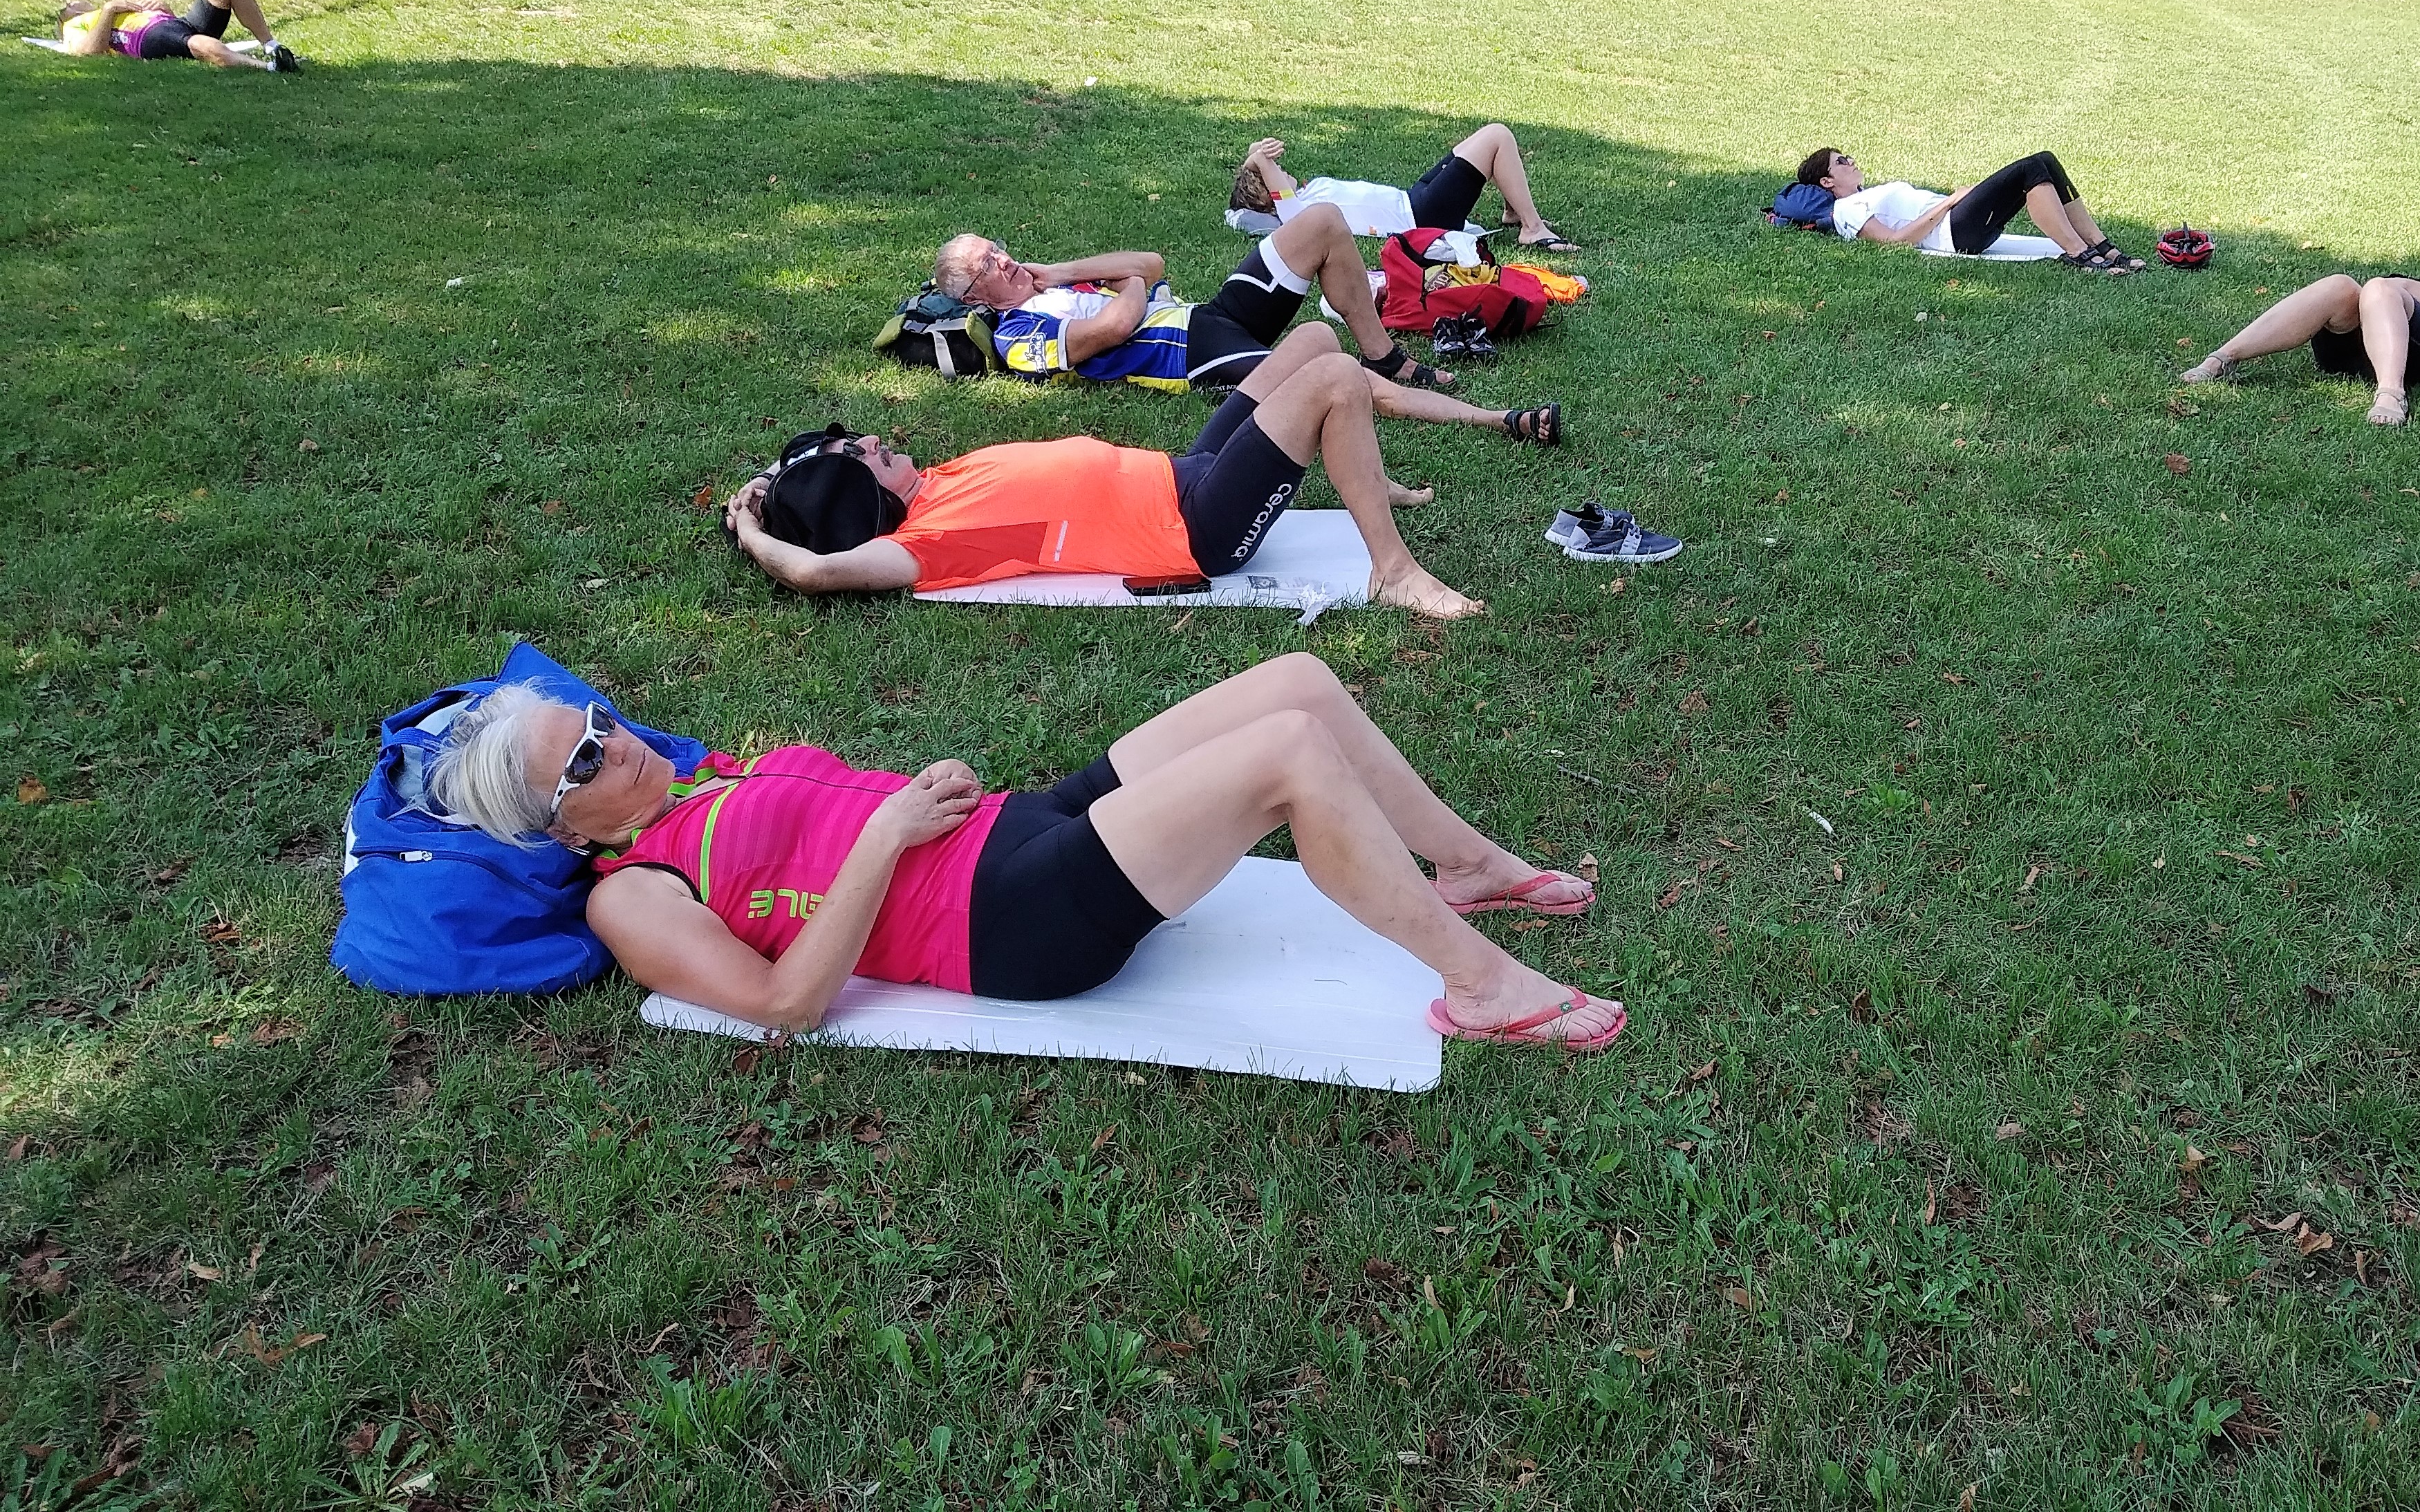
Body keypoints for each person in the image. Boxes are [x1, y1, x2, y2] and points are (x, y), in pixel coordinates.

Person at [425, 655, 1623, 1050]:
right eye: (580, 765)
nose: (613, 747)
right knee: (1291, 753)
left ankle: (1466, 865)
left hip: (1016, 828)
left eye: (597, 723)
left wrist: (914, 796)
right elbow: (786, 1003)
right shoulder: (632, 896)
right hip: (1009, 924)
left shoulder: (699, 783)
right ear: (559, 826)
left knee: (1297, 681)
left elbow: (829, 823)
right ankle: (1481, 990)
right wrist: (889, 840)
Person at [727, 326, 1495, 619]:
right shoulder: (930, 543)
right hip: (1198, 531)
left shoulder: (939, 478)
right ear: (856, 496)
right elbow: (818, 571)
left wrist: (770, 478)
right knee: (1338, 382)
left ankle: (1356, 467)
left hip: (1186, 472)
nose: (869, 439)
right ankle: (1393, 569)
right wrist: (754, 530)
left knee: (1312, 341)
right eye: (856, 456)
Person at [934, 227, 1567, 445]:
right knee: (1336, 373)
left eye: (1000, 250)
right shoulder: (1019, 334)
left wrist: (1065, 271)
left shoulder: (1046, 283)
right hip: (1192, 354)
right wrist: (1122, 281)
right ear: (971, 295)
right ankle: (1498, 419)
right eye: (989, 264)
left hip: (1208, 314)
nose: (1005, 262)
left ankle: (1390, 353)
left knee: (1321, 223)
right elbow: (1118, 324)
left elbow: (1153, 264)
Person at [2178, 249, 2420, 425]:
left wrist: (2396, 287)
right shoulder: (2411, 292)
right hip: (2351, 350)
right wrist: (2401, 288)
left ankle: (2392, 394)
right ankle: (2221, 360)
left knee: (2377, 287)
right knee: (2341, 286)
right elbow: (2387, 293)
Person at [1229, 123, 1579, 251]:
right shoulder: (1298, 215)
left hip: (1412, 198)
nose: (1279, 167)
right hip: (1420, 219)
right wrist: (1259, 161)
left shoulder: (1304, 197)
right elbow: (1253, 204)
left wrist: (1254, 154)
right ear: (1270, 198)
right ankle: (1532, 230)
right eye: (1270, 171)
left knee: (1481, 140)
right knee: (1497, 137)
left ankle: (1513, 211)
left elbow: (1248, 177)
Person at [1794, 148, 2143, 271]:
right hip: (1952, 233)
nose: (1851, 161)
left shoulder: (1867, 193)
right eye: (1841, 162)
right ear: (1827, 182)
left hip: (1957, 219)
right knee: (2029, 169)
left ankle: (2099, 246)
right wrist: (1948, 202)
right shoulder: (1846, 209)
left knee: (2044, 162)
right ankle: (2079, 252)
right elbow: (1892, 242)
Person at [57, 0, 297, 72]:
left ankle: (272, 47)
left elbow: (170, 23)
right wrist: (109, 9)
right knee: (197, 43)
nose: (71, 2)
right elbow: (87, 53)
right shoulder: (76, 24)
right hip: (145, 40)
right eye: (67, 7)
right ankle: (271, 68)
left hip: (173, 24)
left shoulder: (105, 12)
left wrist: (165, 11)